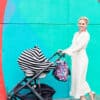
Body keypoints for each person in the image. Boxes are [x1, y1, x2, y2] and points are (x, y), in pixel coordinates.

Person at [62, 17, 95, 100]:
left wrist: (68, 52)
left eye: (83, 24)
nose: (81, 25)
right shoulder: (76, 34)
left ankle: (82, 97)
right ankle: (91, 93)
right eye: (80, 23)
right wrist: (64, 50)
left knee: (80, 78)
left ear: (86, 25)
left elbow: (79, 47)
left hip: (82, 59)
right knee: (77, 78)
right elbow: (73, 46)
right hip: (75, 59)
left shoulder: (86, 35)